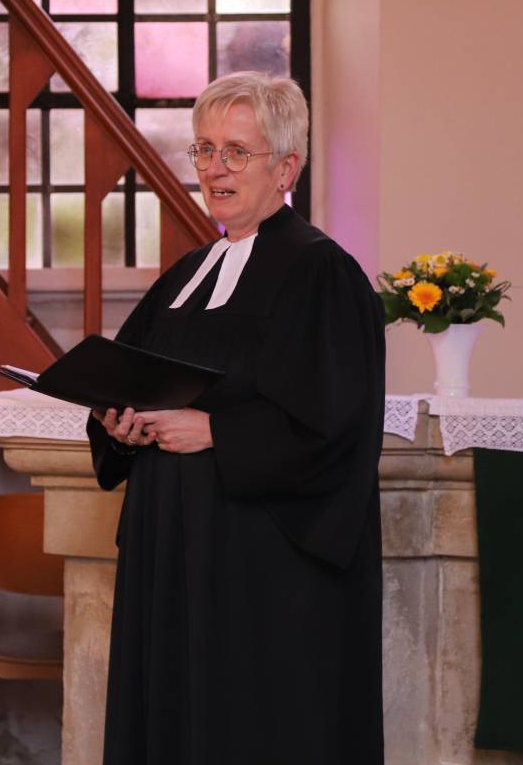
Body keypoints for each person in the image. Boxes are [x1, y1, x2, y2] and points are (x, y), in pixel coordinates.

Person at [87, 72, 385, 765]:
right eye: (203, 150)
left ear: (286, 168)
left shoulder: (322, 273)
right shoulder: (188, 273)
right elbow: (133, 376)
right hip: (175, 552)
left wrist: (219, 433)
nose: (214, 168)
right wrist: (120, 427)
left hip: (259, 570)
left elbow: (339, 425)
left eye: (235, 152)